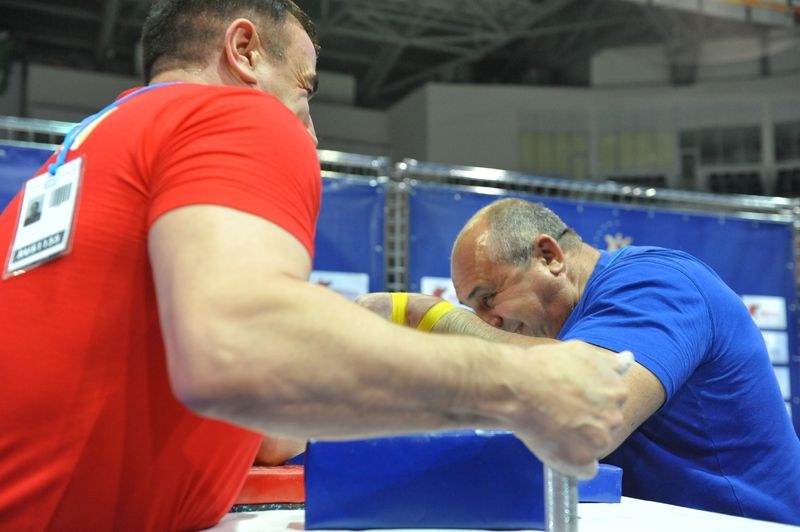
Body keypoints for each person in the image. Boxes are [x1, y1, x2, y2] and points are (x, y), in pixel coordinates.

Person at [0, 2, 632, 530]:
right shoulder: (235, 115)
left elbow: (254, 418)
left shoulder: (76, 159)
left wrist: (344, 353)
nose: (310, 124)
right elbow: (243, 352)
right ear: (244, 49)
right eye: (306, 87)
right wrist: (525, 388)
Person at [359, 197, 800, 525]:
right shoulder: (563, 338)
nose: (488, 322)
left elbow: (588, 409)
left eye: (489, 299)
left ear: (549, 257)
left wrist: (430, 316)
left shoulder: (659, 285)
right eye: (474, 311)